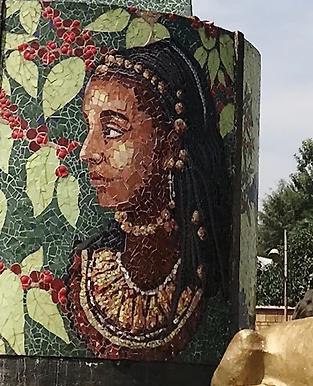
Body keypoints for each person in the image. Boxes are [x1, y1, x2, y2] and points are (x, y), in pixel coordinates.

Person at [68, 40, 229, 361]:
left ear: (169, 144)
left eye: (112, 131)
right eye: (89, 128)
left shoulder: (207, 276)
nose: (88, 151)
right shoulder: (83, 273)